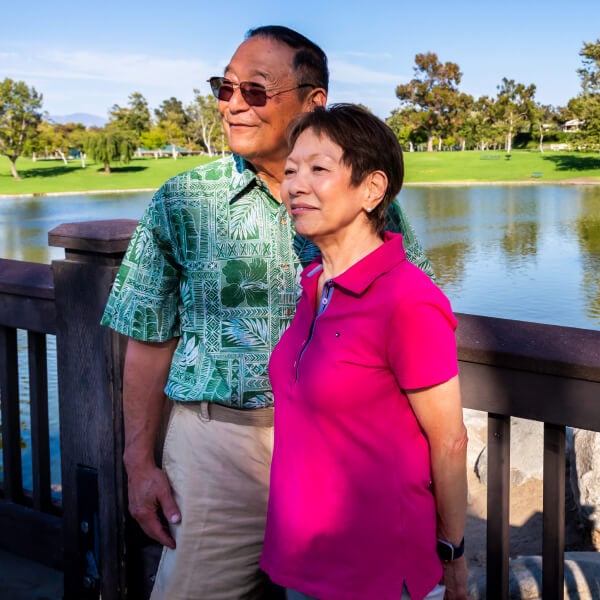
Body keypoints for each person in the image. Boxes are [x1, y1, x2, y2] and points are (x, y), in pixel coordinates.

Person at [101, 27, 433, 600]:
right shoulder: (183, 201)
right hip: (218, 453)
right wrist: (139, 463)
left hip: (340, 464)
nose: (233, 105)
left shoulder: (369, 202)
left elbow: (410, 323)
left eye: (254, 91)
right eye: (224, 88)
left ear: (313, 101)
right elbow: (148, 337)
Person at [260, 104, 468, 600]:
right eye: (291, 170)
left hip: (375, 571)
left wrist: (452, 555)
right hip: (303, 560)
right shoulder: (313, 283)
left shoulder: (408, 300)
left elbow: (450, 441)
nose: (295, 185)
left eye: (318, 168)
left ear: (372, 189)